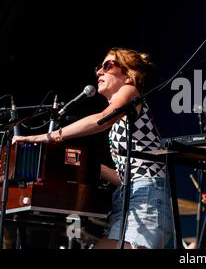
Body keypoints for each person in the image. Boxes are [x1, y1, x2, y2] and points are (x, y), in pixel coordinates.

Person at [13, 47, 173, 249]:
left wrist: (49, 137)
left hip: (146, 196)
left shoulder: (130, 91)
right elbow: (126, 175)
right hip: (132, 195)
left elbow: (101, 120)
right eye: (98, 67)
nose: (99, 72)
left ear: (128, 73)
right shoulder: (122, 117)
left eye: (107, 66)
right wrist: (86, 166)